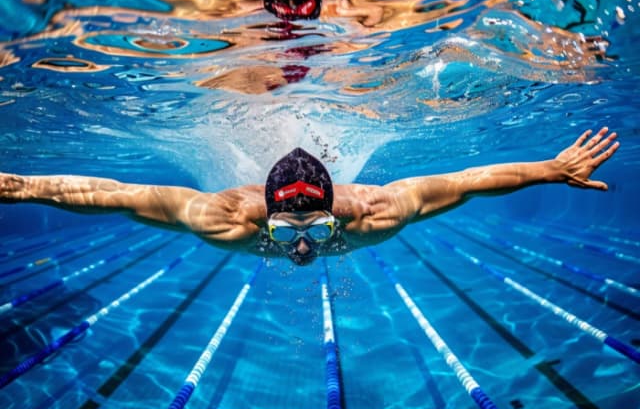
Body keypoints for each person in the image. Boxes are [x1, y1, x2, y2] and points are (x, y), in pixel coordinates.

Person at [0, 127, 619, 266]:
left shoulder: (376, 212)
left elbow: (466, 182)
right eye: (290, 230)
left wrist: (549, 169)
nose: (303, 246)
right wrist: (23, 188)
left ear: (337, 214)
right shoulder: (224, 218)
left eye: (318, 230)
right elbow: (118, 195)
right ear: (265, 215)